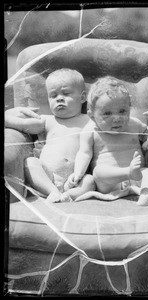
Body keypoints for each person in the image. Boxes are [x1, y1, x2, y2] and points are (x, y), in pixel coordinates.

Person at [66, 76, 148, 206]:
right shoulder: (90, 130)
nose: (117, 118)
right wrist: (78, 172)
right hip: (108, 183)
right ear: (92, 116)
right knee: (98, 171)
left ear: (130, 109)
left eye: (122, 111)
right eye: (107, 113)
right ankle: (127, 172)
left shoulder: (133, 124)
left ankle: (146, 195)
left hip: (136, 178)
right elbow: (84, 153)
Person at [5, 68, 96, 203]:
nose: (59, 98)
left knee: (90, 181)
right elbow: (21, 124)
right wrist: (9, 113)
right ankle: (52, 191)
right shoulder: (47, 121)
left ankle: (69, 195)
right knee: (31, 162)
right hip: (47, 175)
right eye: (53, 96)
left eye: (65, 93)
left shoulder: (89, 121)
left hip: (76, 177)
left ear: (82, 97)